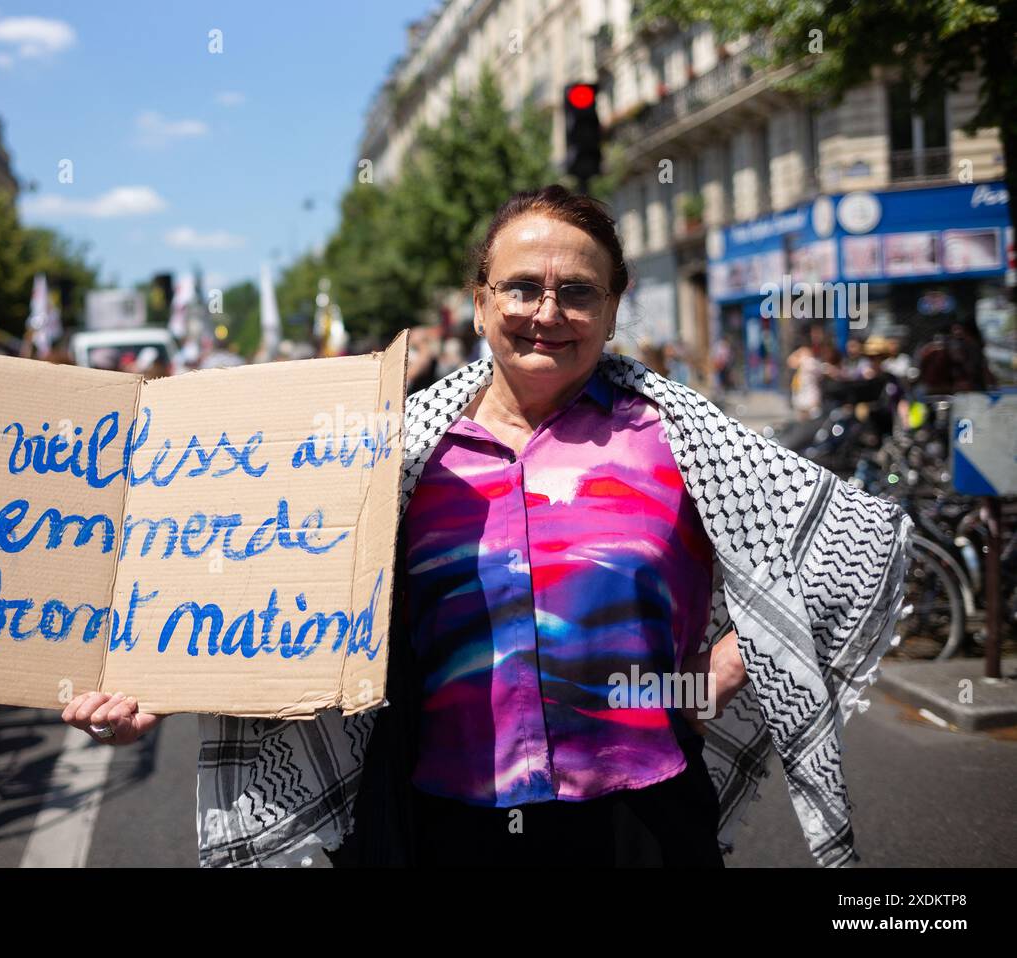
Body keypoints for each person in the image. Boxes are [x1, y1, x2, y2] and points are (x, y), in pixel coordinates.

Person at [64, 186, 913, 869]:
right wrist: (154, 683)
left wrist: (723, 668)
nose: (548, 311)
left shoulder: (677, 434)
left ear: (614, 311)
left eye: (578, 292)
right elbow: (267, 594)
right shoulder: (391, 448)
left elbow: (861, 542)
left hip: (643, 818)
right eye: (522, 288)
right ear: (479, 303)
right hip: (446, 822)